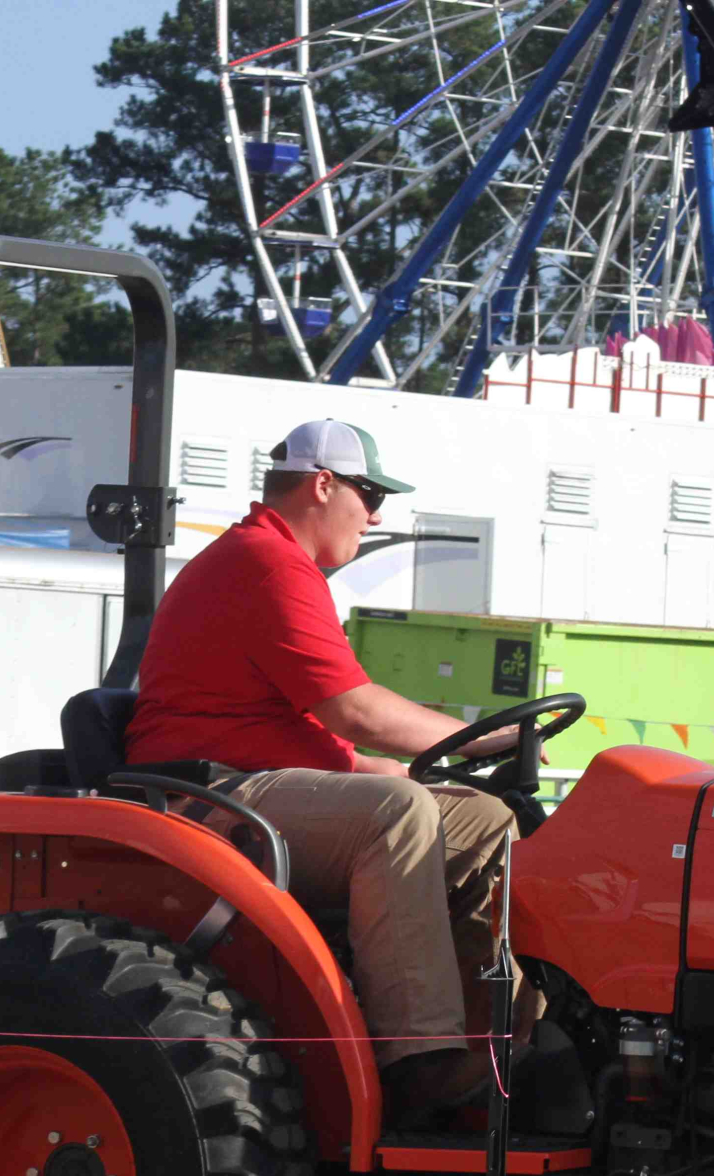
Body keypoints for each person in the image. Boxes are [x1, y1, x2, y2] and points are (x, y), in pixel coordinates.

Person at [125, 419, 536, 1117]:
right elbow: (356, 711)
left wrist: (416, 769)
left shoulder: (279, 567)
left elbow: (325, 735)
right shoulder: (265, 563)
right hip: (210, 794)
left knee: (484, 816)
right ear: (323, 484)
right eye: (369, 493)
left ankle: (506, 1034)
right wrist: (476, 740)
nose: (377, 514)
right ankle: (420, 1057)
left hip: (260, 779)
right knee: (398, 813)